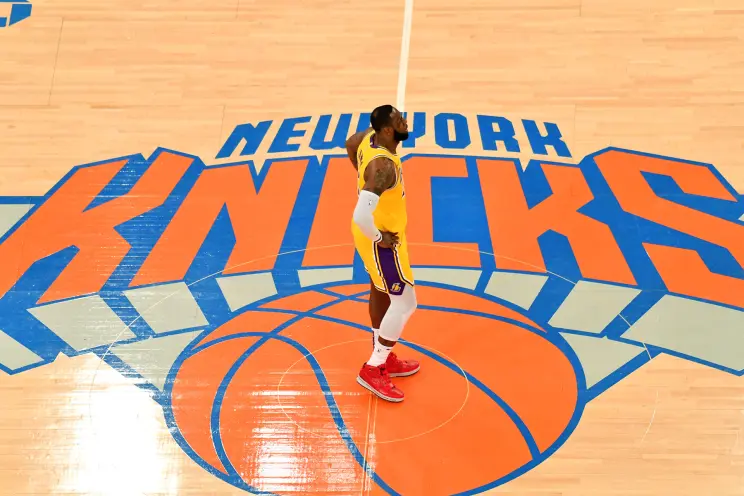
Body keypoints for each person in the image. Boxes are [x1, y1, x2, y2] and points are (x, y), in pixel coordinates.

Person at [345, 104, 419, 403]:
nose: (405, 122)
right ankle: (374, 367)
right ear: (387, 130)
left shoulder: (368, 137)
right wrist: (380, 238)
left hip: (374, 235)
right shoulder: (384, 168)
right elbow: (362, 216)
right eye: (400, 120)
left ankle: (383, 356)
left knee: (380, 290)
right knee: (406, 303)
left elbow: (351, 143)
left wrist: (361, 175)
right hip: (381, 241)